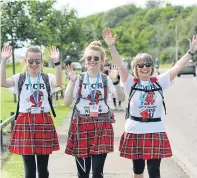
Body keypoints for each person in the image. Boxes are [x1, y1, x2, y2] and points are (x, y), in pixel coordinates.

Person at [102, 28, 197, 178]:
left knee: (154, 171)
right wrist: (111, 47)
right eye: (141, 65)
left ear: (152, 67)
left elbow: (177, 67)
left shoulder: (159, 82)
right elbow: (120, 65)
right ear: (136, 68)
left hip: (155, 130)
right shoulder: (130, 83)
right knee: (138, 169)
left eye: (147, 65)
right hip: (135, 130)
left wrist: (190, 52)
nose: (144, 68)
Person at [64, 41, 125, 178]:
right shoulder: (79, 78)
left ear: (102, 61)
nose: (92, 61)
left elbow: (121, 98)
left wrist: (115, 81)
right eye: (89, 58)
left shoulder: (106, 79)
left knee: (98, 173)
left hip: (101, 124)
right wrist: (71, 81)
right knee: (83, 173)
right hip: (81, 125)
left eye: (96, 58)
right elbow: (67, 102)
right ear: (85, 60)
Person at [0, 45, 62, 178]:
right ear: (25, 61)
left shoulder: (47, 78)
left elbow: (58, 83)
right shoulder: (19, 78)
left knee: (43, 166)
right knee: (29, 166)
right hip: (25, 121)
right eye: (31, 61)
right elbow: (3, 82)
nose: (34, 64)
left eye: (38, 61)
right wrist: (3, 60)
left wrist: (57, 62)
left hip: (43, 120)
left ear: (41, 62)